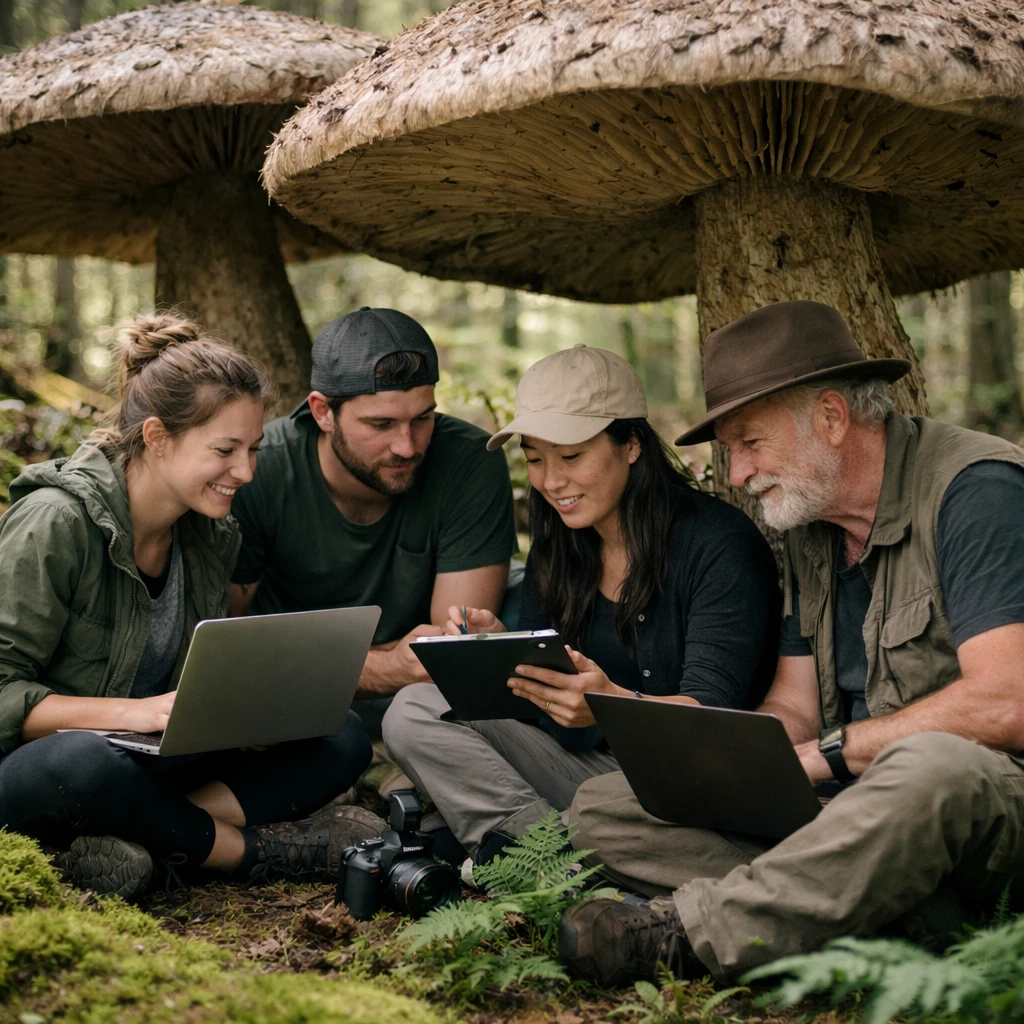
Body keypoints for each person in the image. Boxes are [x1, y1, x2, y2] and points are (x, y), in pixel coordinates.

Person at [559, 300, 1024, 987]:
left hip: (979, 803)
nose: (737, 476)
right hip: (849, 811)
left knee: (931, 767)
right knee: (607, 808)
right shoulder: (810, 529)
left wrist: (831, 754)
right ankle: (880, 913)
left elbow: (1006, 704)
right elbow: (796, 708)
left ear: (832, 418)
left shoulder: (975, 492)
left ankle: (689, 937)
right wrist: (730, 767)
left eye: (751, 443)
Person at [0, 315, 382, 901]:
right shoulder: (55, 521)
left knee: (342, 736)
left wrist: (238, 721)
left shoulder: (208, 534)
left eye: (253, 450)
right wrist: (139, 713)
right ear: (157, 436)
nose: (245, 472)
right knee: (85, 763)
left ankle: (149, 838)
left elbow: (182, 699)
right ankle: (250, 853)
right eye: (225, 450)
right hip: (46, 767)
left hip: (148, 759)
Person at [382, 344, 780, 864]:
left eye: (570, 457)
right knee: (413, 709)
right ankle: (541, 858)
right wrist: (503, 653)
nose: (551, 481)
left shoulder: (719, 545)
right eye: (535, 459)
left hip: (687, 783)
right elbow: (545, 712)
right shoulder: (559, 542)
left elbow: (711, 718)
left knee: (597, 810)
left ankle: (535, 851)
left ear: (631, 444)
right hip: (585, 772)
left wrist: (609, 703)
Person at [228, 307, 518, 731]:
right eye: (381, 424)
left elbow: (451, 650)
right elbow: (223, 645)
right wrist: (385, 665)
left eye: (423, 418)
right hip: (285, 697)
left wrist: (336, 662)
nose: (406, 446)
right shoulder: (257, 469)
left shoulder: (469, 461)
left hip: (420, 702)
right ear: (322, 412)